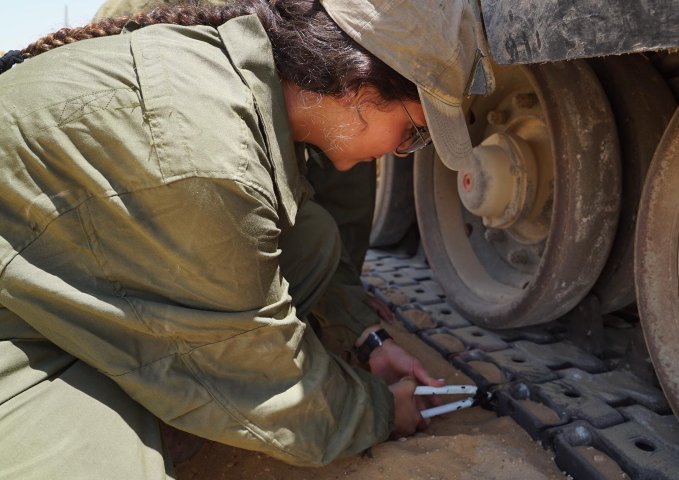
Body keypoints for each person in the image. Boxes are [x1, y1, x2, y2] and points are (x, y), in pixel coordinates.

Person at [0, 0, 486, 477]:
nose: (403, 153)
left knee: (310, 234)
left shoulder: (236, 82)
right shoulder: (209, 157)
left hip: (47, 262)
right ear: (358, 89)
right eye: (413, 133)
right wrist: (382, 411)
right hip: (17, 320)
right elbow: (264, 379)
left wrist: (367, 336)